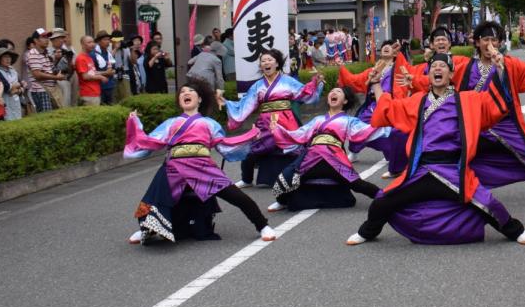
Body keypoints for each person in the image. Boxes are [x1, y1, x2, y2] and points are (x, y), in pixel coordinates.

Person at [344, 53, 525, 247]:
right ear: (428, 75)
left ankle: (514, 230)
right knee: (381, 202)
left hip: (452, 170)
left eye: (443, 66)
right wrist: (376, 84)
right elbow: (389, 108)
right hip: (420, 170)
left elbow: (497, 101)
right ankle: (368, 231)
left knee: (488, 203)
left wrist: (500, 70)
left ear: (451, 74)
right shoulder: (417, 101)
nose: (437, 69)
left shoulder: (468, 100)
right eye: (434, 66)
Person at [405, 21, 525, 205]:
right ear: (478, 42)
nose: (490, 44)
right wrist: (414, 79)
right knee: (457, 156)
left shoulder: (510, 65)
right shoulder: (463, 65)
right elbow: (437, 78)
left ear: (499, 43)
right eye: (486, 39)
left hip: (505, 122)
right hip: (474, 122)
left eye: (494, 40)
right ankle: (453, 189)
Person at [124, 80, 278, 245]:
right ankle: (146, 229)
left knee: (237, 196)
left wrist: (251, 137)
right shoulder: (170, 123)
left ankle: (262, 225)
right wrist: (135, 124)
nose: (185, 93)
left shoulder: (210, 124)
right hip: (174, 168)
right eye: (182, 91)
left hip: (203, 168)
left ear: (200, 99)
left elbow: (226, 146)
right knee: (153, 198)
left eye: (190, 91)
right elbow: (148, 141)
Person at [270, 86, 389, 212]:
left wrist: (385, 120)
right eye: (332, 91)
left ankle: (385, 197)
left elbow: (366, 130)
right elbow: (299, 134)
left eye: (338, 92)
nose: (333, 92)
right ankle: (281, 201)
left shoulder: (349, 121)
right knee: (286, 177)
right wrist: (278, 130)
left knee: (356, 183)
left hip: (335, 159)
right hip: (311, 158)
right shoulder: (318, 120)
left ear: (345, 101)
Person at [224, 48, 324, 188]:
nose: (266, 63)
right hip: (265, 122)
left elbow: (304, 93)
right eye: (263, 61)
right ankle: (247, 179)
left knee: (295, 149)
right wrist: (226, 103)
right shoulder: (257, 86)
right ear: (260, 66)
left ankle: (303, 175)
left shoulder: (288, 81)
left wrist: (316, 83)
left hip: (286, 119)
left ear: (277, 64)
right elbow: (245, 105)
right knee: (252, 148)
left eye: (270, 60)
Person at [338, 38, 412, 177]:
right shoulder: (373, 70)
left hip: (390, 105)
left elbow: (410, 73)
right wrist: (342, 67)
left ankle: (394, 159)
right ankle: (354, 152)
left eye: (390, 47)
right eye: (384, 46)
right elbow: (354, 80)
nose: (386, 47)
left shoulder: (400, 69)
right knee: (358, 127)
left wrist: (400, 54)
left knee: (392, 133)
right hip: (372, 106)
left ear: (395, 53)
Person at [22, 29, 62, 113]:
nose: (47, 39)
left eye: (47, 37)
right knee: (47, 118)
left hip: (49, 90)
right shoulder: (33, 54)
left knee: (54, 117)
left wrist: (57, 61)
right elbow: (37, 75)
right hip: (40, 91)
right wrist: (56, 77)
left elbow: (50, 70)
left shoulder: (45, 53)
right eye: (43, 37)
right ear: (36, 40)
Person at [0, 46, 24, 121]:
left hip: (16, 102)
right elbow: (7, 88)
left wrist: (18, 89)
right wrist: (17, 86)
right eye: (5, 57)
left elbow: (22, 85)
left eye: (9, 57)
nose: (8, 59)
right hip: (5, 102)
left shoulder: (13, 71)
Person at [75, 36, 104, 106]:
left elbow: (92, 73)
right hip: (88, 94)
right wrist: (100, 77)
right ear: (82, 45)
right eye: (89, 42)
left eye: (93, 42)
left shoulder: (88, 57)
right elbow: (85, 76)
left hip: (94, 92)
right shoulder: (81, 58)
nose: (92, 44)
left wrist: (102, 74)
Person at [92, 31, 118, 105]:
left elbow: (113, 68)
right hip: (100, 86)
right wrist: (106, 73)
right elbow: (92, 72)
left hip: (110, 85)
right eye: (105, 40)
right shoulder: (93, 54)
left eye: (108, 40)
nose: (107, 42)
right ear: (99, 41)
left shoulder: (108, 53)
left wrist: (112, 71)